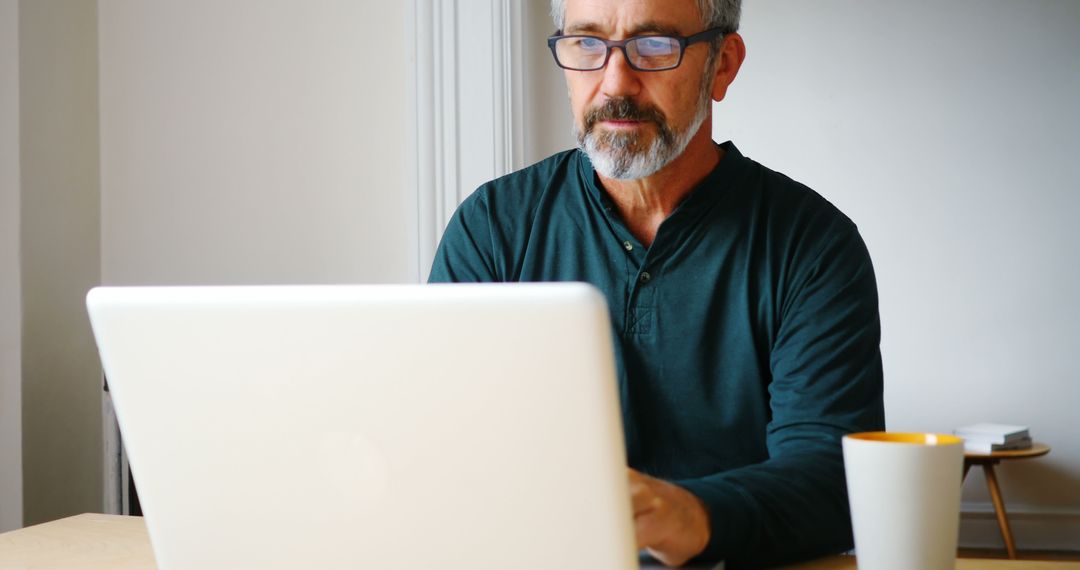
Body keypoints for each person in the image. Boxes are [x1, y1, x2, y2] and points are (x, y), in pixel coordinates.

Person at [428, 0, 885, 566]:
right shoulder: (491, 227)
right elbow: (439, 448)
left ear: (722, 65)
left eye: (654, 47)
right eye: (587, 44)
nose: (615, 82)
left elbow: (830, 482)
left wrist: (691, 516)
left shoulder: (812, 246)